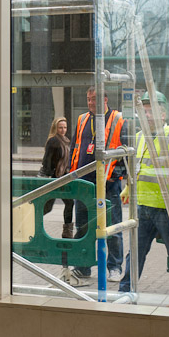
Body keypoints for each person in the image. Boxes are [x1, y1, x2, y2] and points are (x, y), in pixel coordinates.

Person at [119, 91, 169, 304]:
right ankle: (125, 291)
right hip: (143, 206)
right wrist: (129, 186)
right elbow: (135, 167)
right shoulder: (138, 138)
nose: (147, 116)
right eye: (143, 112)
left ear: (162, 114)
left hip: (167, 207)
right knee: (135, 253)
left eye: (151, 111)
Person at [67, 87, 126, 284]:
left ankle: (115, 267)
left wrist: (115, 175)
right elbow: (74, 146)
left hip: (108, 184)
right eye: (88, 99)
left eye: (94, 99)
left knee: (112, 227)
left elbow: (125, 153)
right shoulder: (83, 119)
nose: (91, 103)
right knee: (83, 226)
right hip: (83, 183)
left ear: (105, 99)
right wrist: (71, 172)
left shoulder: (118, 120)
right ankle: (82, 267)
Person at [39, 116, 74, 238]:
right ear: (55, 128)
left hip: (62, 177)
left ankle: (67, 231)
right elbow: (47, 160)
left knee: (68, 203)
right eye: (60, 128)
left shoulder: (66, 140)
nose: (63, 130)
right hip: (54, 178)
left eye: (65, 127)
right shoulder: (53, 141)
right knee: (48, 207)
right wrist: (47, 176)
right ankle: (30, 223)